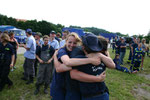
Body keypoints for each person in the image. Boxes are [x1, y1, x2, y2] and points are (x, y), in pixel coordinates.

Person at [50, 33, 104, 100]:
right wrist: (90, 60)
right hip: (60, 85)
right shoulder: (62, 50)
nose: (72, 45)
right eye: (70, 42)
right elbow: (65, 63)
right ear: (66, 41)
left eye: (74, 43)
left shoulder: (79, 51)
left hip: (72, 86)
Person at [70, 34, 115, 100]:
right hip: (97, 95)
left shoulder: (100, 57)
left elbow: (113, 65)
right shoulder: (81, 59)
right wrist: (98, 78)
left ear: (83, 47)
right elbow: (73, 74)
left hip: (95, 95)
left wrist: (100, 55)